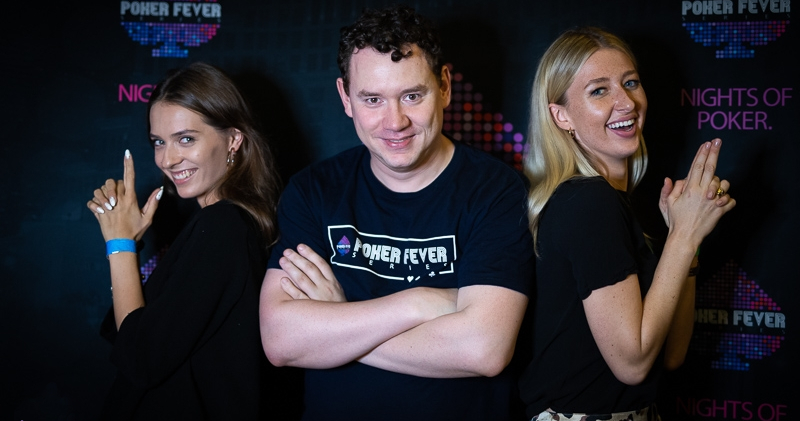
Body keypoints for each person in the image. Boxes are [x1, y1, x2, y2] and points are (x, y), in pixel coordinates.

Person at [258, 5, 535, 420]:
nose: (395, 121)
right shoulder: (313, 191)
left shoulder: (496, 191)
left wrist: (339, 320)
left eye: (412, 96)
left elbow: (484, 349)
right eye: (372, 99)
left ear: (444, 86)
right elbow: (282, 341)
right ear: (345, 98)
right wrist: (418, 303)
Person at [517, 27, 736, 420]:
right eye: (599, 90)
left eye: (630, 83)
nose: (627, 102)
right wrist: (684, 235)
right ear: (561, 116)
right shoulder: (588, 202)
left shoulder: (612, 202)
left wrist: (686, 242)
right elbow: (632, 365)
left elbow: (671, 354)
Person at [86, 62, 292, 420]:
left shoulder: (224, 226)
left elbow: (140, 358)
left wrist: (119, 245)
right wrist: (127, 243)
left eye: (186, 139)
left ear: (233, 139)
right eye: (158, 142)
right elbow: (129, 333)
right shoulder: (220, 224)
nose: (168, 159)